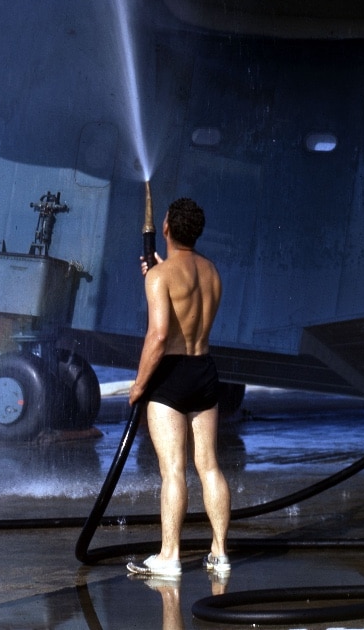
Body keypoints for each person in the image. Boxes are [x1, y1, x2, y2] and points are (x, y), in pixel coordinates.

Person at [126, 197, 232, 580]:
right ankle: (220, 552)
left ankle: (169, 556)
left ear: (166, 228)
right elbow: (188, 303)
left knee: (173, 470)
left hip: (171, 375)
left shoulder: (160, 276)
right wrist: (161, 273)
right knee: (209, 466)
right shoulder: (212, 272)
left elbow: (158, 336)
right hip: (204, 370)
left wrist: (139, 386)